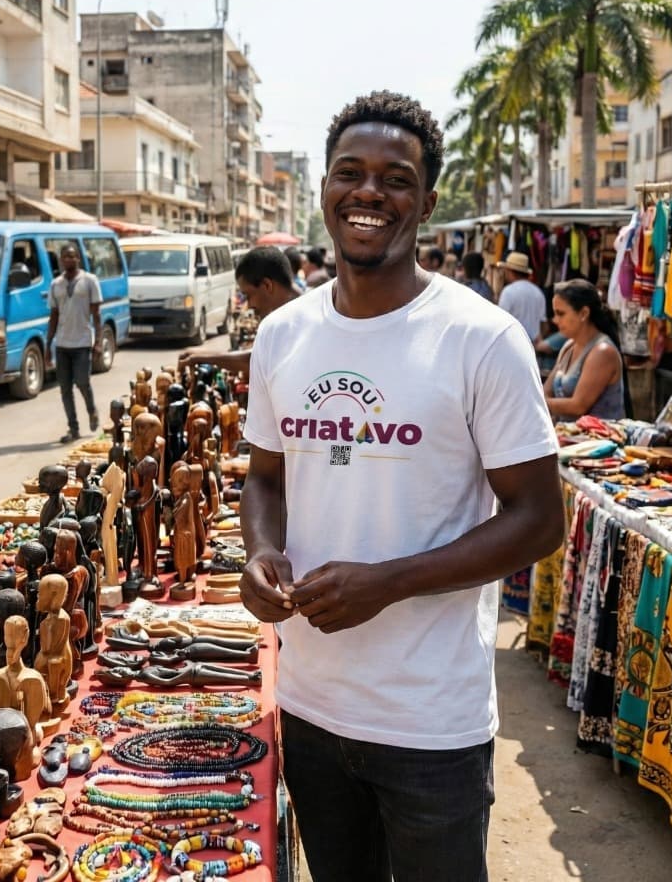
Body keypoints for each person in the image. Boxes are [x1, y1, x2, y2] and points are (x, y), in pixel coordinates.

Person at [240, 90, 563, 881]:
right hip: (312, 705)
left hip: (431, 723)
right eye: (349, 173)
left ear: (426, 199)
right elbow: (264, 475)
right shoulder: (282, 335)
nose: (368, 193)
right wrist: (259, 553)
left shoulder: (481, 338)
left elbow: (538, 518)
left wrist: (389, 582)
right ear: (323, 188)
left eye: (395, 178)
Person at [179, 246, 298, 376]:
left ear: (267, 285)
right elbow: (257, 355)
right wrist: (202, 354)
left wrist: (202, 357)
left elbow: (253, 361)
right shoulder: (291, 311)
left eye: (248, 295)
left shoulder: (294, 320)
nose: (249, 305)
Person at [544, 278, 625, 422]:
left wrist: (538, 403)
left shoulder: (603, 352)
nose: (555, 320)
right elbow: (546, 392)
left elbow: (578, 406)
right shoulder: (568, 346)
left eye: (560, 314)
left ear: (583, 314)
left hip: (597, 441)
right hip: (568, 439)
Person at [45, 243, 101, 444]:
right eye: (65, 257)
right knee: (65, 388)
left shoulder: (89, 281)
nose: (68, 260)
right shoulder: (56, 284)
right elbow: (53, 316)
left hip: (83, 342)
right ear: (61, 260)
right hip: (62, 344)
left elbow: (96, 314)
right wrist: (48, 345)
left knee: (82, 382)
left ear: (78, 258)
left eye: (72, 256)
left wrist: (99, 342)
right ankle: (73, 427)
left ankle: (91, 410)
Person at [496, 251, 546, 342]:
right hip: (534, 346)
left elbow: (500, 322)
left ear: (510, 271)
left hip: (514, 343)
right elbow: (543, 325)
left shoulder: (508, 291)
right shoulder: (538, 292)